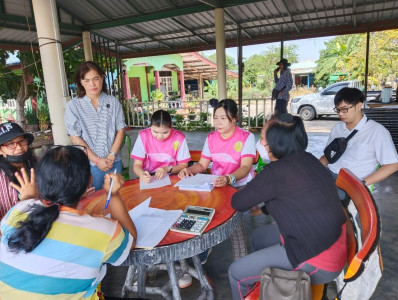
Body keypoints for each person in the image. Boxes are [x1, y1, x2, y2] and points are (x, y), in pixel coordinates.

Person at [229, 114, 347, 300]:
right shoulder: (308, 159)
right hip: (332, 243)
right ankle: (272, 285)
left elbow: (238, 203)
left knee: (235, 272)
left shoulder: (276, 171)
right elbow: (298, 193)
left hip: (318, 261)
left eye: (262, 138)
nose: (260, 142)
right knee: (258, 237)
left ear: (276, 144)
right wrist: (266, 208)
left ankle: (269, 281)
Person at [0, 146, 137, 298]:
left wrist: (28, 200)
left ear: (40, 181)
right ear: (89, 181)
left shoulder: (18, 210)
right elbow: (130, 239)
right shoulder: (103, 230)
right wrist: (114, 194)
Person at [179, 99, 256, 261]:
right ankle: (202, 250)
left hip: (240, 184)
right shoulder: (212, 137)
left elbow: (245, 167)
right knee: (199, 211)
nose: (218, 122)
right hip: (217, 184)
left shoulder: (246, 137)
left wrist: (229, 178)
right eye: (215, 117)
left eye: (223, 118)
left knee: (233, 217)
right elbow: (202, 165)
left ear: (234, 118)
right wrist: (188, 170)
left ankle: (241, 260)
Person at [319, 87, 398, 197]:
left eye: (344, 109)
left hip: (354, 182)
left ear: (359, 106)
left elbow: (393, 164)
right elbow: (328, 156)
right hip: (330, 176)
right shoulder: (337, 128)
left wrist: (362, 183)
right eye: (337, 110)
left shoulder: (377, 131)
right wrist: (314, 168)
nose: (340, 114)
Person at [65, 61, 126, 191]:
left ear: (102, 78)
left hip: (113, 162)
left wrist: (111, 155)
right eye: (86, 80)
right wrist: (97, 160)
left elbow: (120, 130)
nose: (92, 84)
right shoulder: (74, 105)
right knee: (93, 202)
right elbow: (74, 137)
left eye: (95, 79)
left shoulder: (113, 102)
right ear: (81, 82)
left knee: (116, 197)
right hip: (89, 164)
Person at [131, 109, 191, 183]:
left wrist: (167, 169)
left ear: (171, 127)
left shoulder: (179, 138)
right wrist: (142, 174)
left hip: (172, 176)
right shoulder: (144, 136)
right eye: (155, 131)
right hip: (149, 177)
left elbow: (184, 165)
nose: (160, 136)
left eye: (165, 132)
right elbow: (137, 164)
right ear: (150, 126)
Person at [0, 122, 38, 220]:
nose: (19, 147)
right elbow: (3, 229)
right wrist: (26, 199)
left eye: (21, 141)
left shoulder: (40, 163)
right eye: (10, 143)